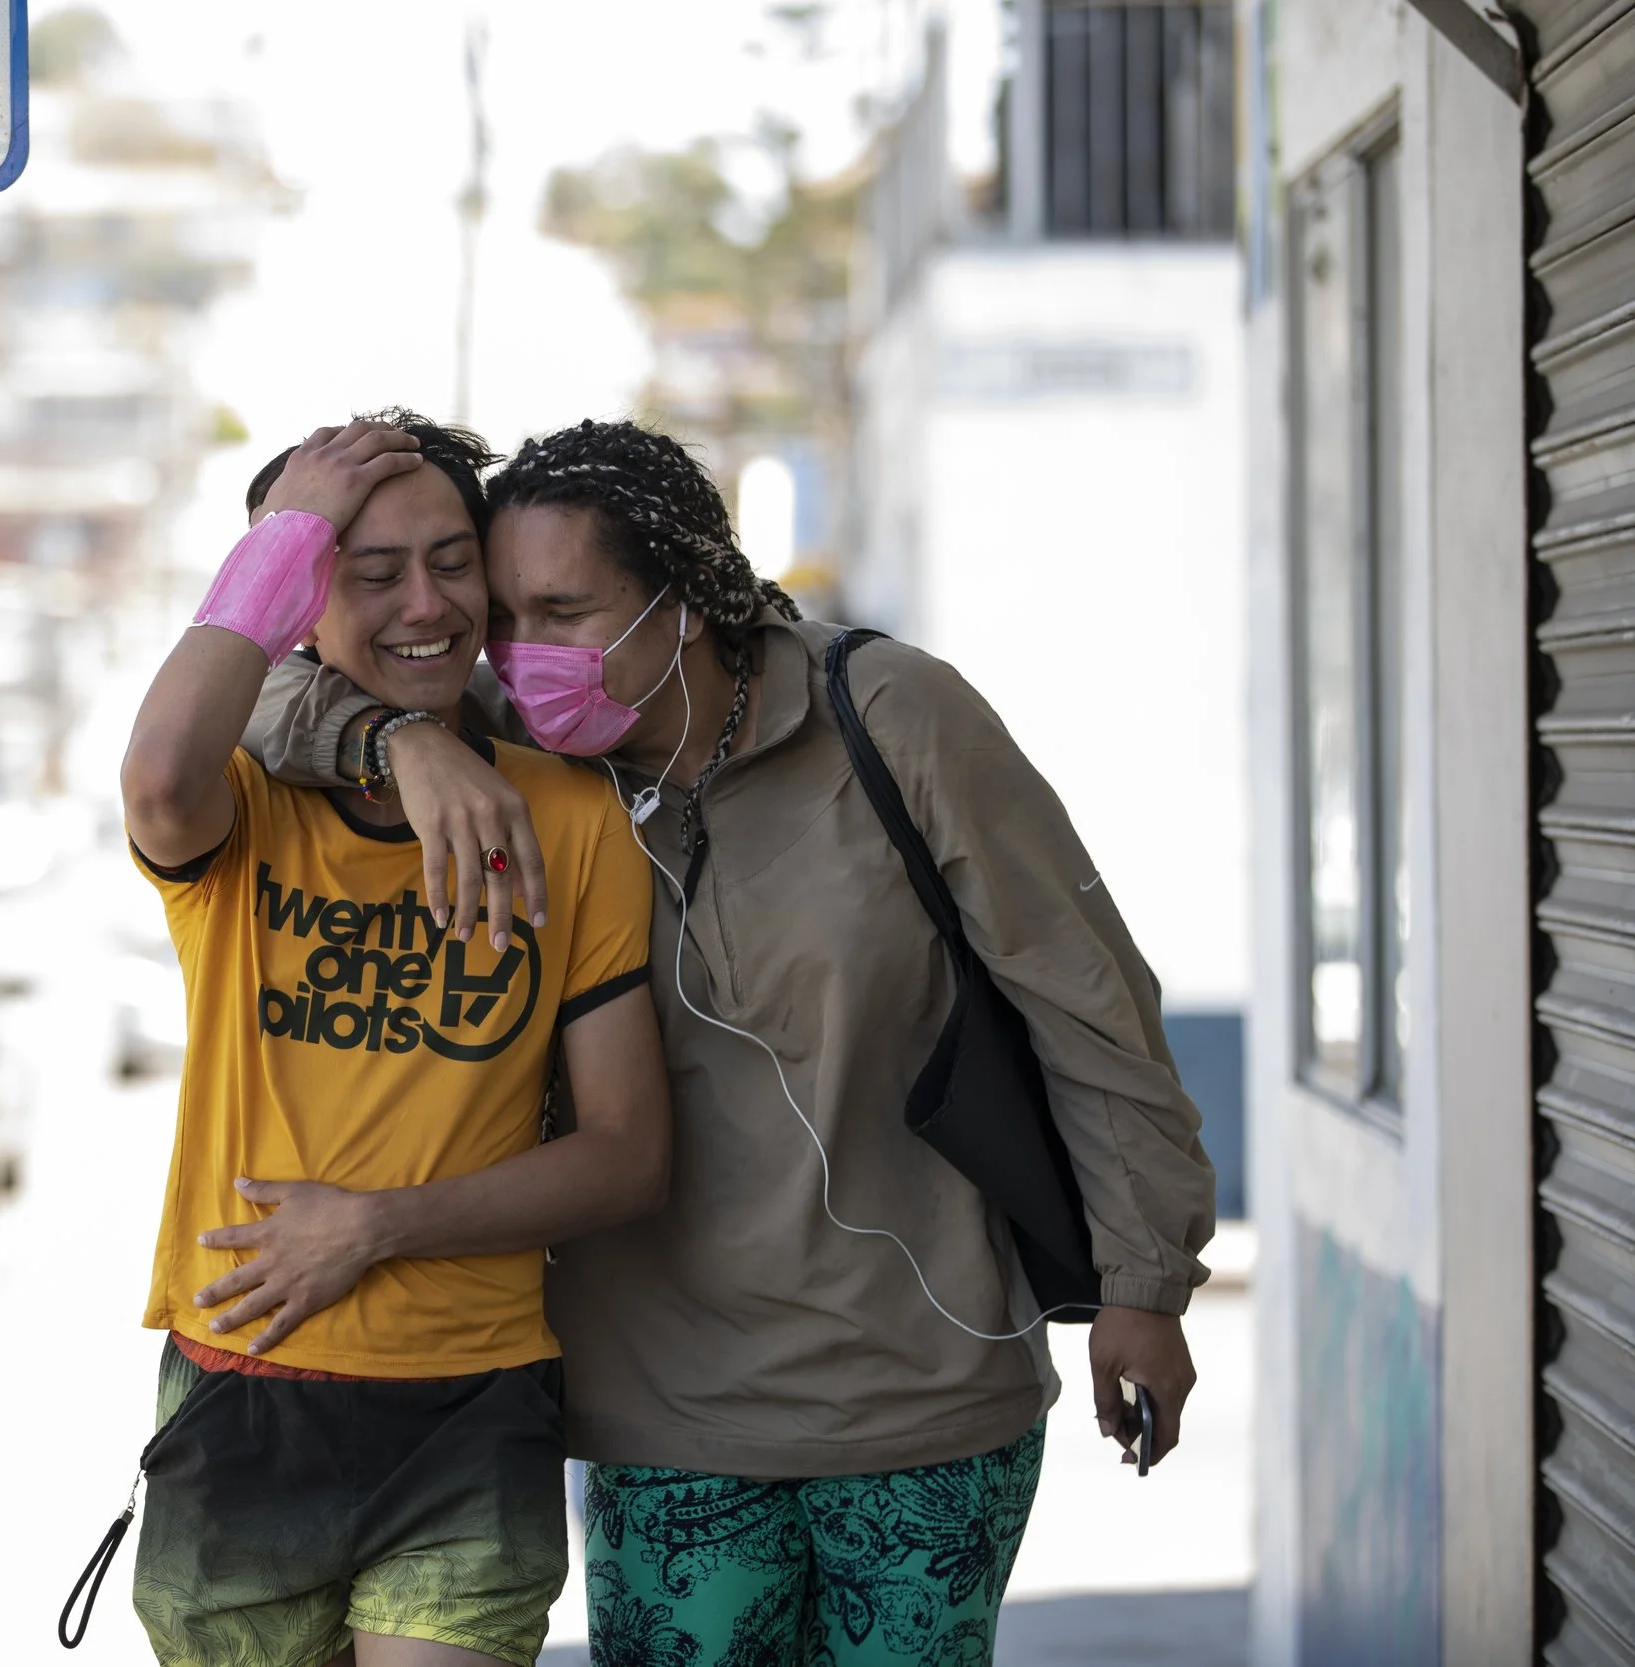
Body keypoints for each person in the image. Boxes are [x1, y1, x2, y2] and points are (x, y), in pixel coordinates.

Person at [237, 418, 1219, 1667]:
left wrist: (1143, 1284)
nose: (523, 654)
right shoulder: (511, 745)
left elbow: (1087, 998)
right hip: (663, 1411)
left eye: (567, 610)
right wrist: (400, 736)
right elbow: (256, 691)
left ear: (687, 602)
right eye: (507, 619)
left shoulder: (887, 711)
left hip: (928, 1394)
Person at [119, 413, 673, 1667]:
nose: (425, 602)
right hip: (243, 1386)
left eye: (451, 560)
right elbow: (156, 774)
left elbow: (629, 1153)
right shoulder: (240, 805)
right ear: (298, 604)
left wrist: (375, 1223)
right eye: (369, 574)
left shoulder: (570, 817)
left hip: (471, 1400)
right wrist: (289, 537)